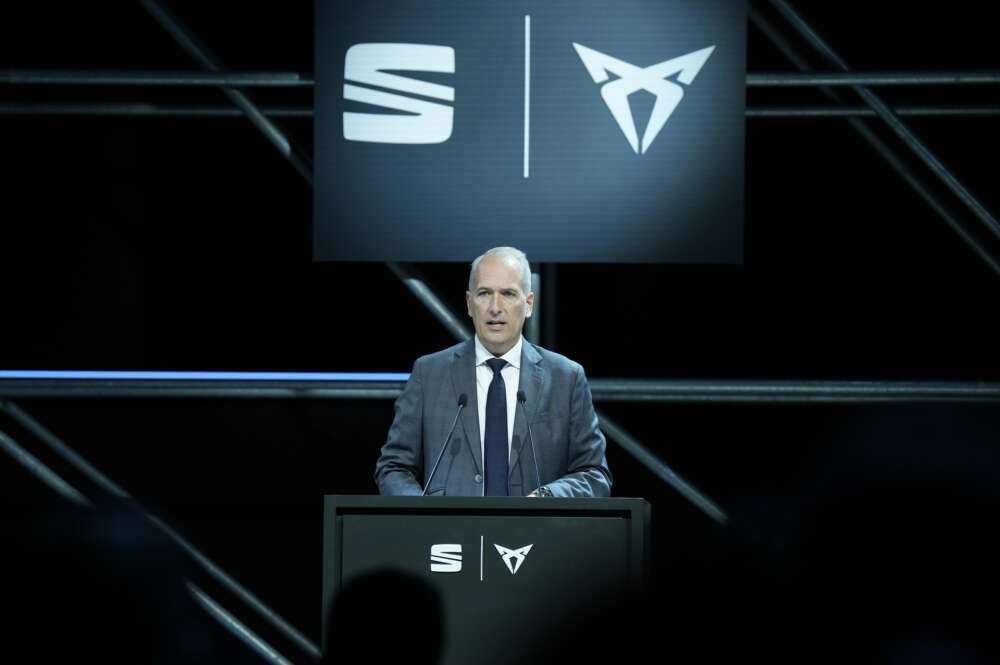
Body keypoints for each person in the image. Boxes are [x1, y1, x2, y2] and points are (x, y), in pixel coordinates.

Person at [375, 246, 611, 497]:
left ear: (528, 304)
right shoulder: (429, 373)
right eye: (484, 293)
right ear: (469, 303)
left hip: (536, 523)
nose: (495, 307)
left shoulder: (566, 377)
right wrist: (425, 512)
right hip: (449, 523)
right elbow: (393, 467)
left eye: (508, 293)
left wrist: (548, 497)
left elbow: (594, 473)